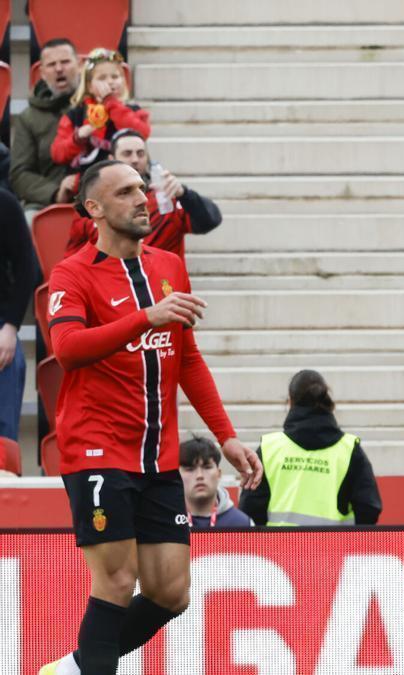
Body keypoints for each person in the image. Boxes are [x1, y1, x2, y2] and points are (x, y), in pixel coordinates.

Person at [38, 160, 261, 675]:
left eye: (142, 188)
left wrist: (226, 437)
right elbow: (67, 349)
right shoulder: (71, 273)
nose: (142, 198)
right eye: (125, 193)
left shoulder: (168, 266)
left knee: (171, 592)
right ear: (94, 209)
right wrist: (144, 318)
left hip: (158, 457)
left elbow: (187, 359)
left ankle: (72, 668)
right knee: (116, 583)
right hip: (96, 450)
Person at [238, 370, 382, 527]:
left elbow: (250, 509)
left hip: (277, 549)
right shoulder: (349, 450)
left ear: (290, 402)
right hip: (334, 549)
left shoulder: (269, 449)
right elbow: (369, 509)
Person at [66, 130, 223, 261]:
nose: (135, 159)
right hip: (112, 291)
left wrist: (185, 194)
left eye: (141, 154)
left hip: (163, 287)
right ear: (111, 159)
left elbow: (210, 221)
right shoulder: (95, 205)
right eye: (127, 153)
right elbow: (73, 260)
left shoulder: (167, 197)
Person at [51, 49, 150, 175]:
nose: (110, 81)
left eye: (115, 76)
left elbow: (142, 133)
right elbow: (57, 154)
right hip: (87, 180)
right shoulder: (76, 115)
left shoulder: (133, 109)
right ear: (89, 86)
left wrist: (111, 103)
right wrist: (77, 138)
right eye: (102, 78)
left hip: (126, 176)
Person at [11, 37, 81, 209]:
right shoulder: (27, 118)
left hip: (100, 199)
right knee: (28, 222)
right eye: (51, 65)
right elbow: (20, 174)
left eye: (65, 62)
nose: (59, 69)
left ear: (79, 64)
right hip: (45, 203)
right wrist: (55, 192)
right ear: (42, 72)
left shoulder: (99, 106)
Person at [0, 189, 36, 442]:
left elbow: (28, 268)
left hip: (0, 329)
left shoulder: (4, 203)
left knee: (3, 432)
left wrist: (11, 327)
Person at [178, 436, 254, 529]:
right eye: (190, 469)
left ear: (219, 474)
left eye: (207, 467)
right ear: (177, 476)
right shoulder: (165, 521)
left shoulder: (242, 524)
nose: (199, 475)